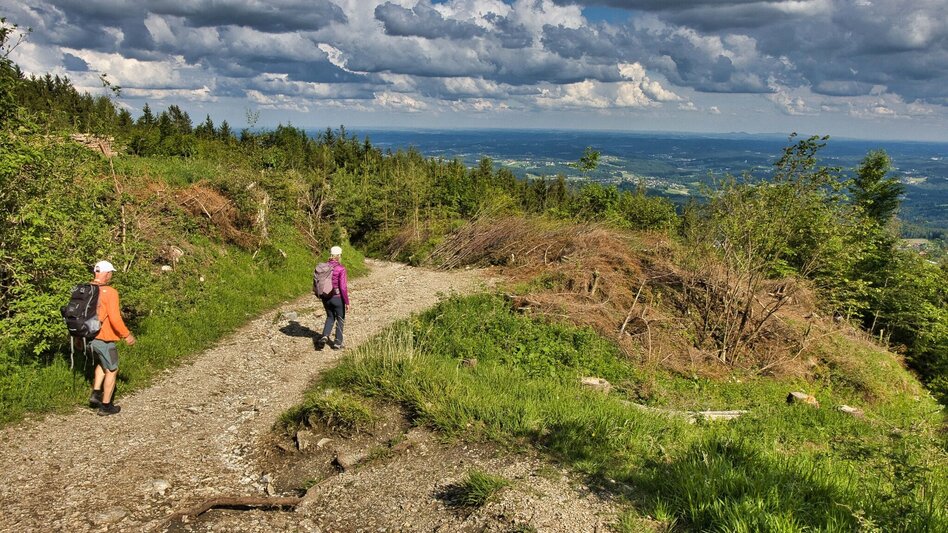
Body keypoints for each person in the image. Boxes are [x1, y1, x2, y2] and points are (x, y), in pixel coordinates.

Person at [88, 260, 136, 416]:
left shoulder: (86, 288)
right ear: (107, 274)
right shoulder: (111, 292)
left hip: (88, 336)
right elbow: (115, 318)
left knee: (102, 363)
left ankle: (96, 394)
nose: (111, 276)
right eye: (111, 273)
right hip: (104, 338)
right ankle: (106, 406)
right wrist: (126, 334)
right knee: (112, 369)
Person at [317, 246, 349, 350]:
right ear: (339, 255)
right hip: (337, 297)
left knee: (330, 317)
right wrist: (347, 302)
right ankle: (337, 343)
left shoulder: (324, 267)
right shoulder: (341, 268)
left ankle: (325, 336)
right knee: (340, 318)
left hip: (326, 297)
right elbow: (343, 287)